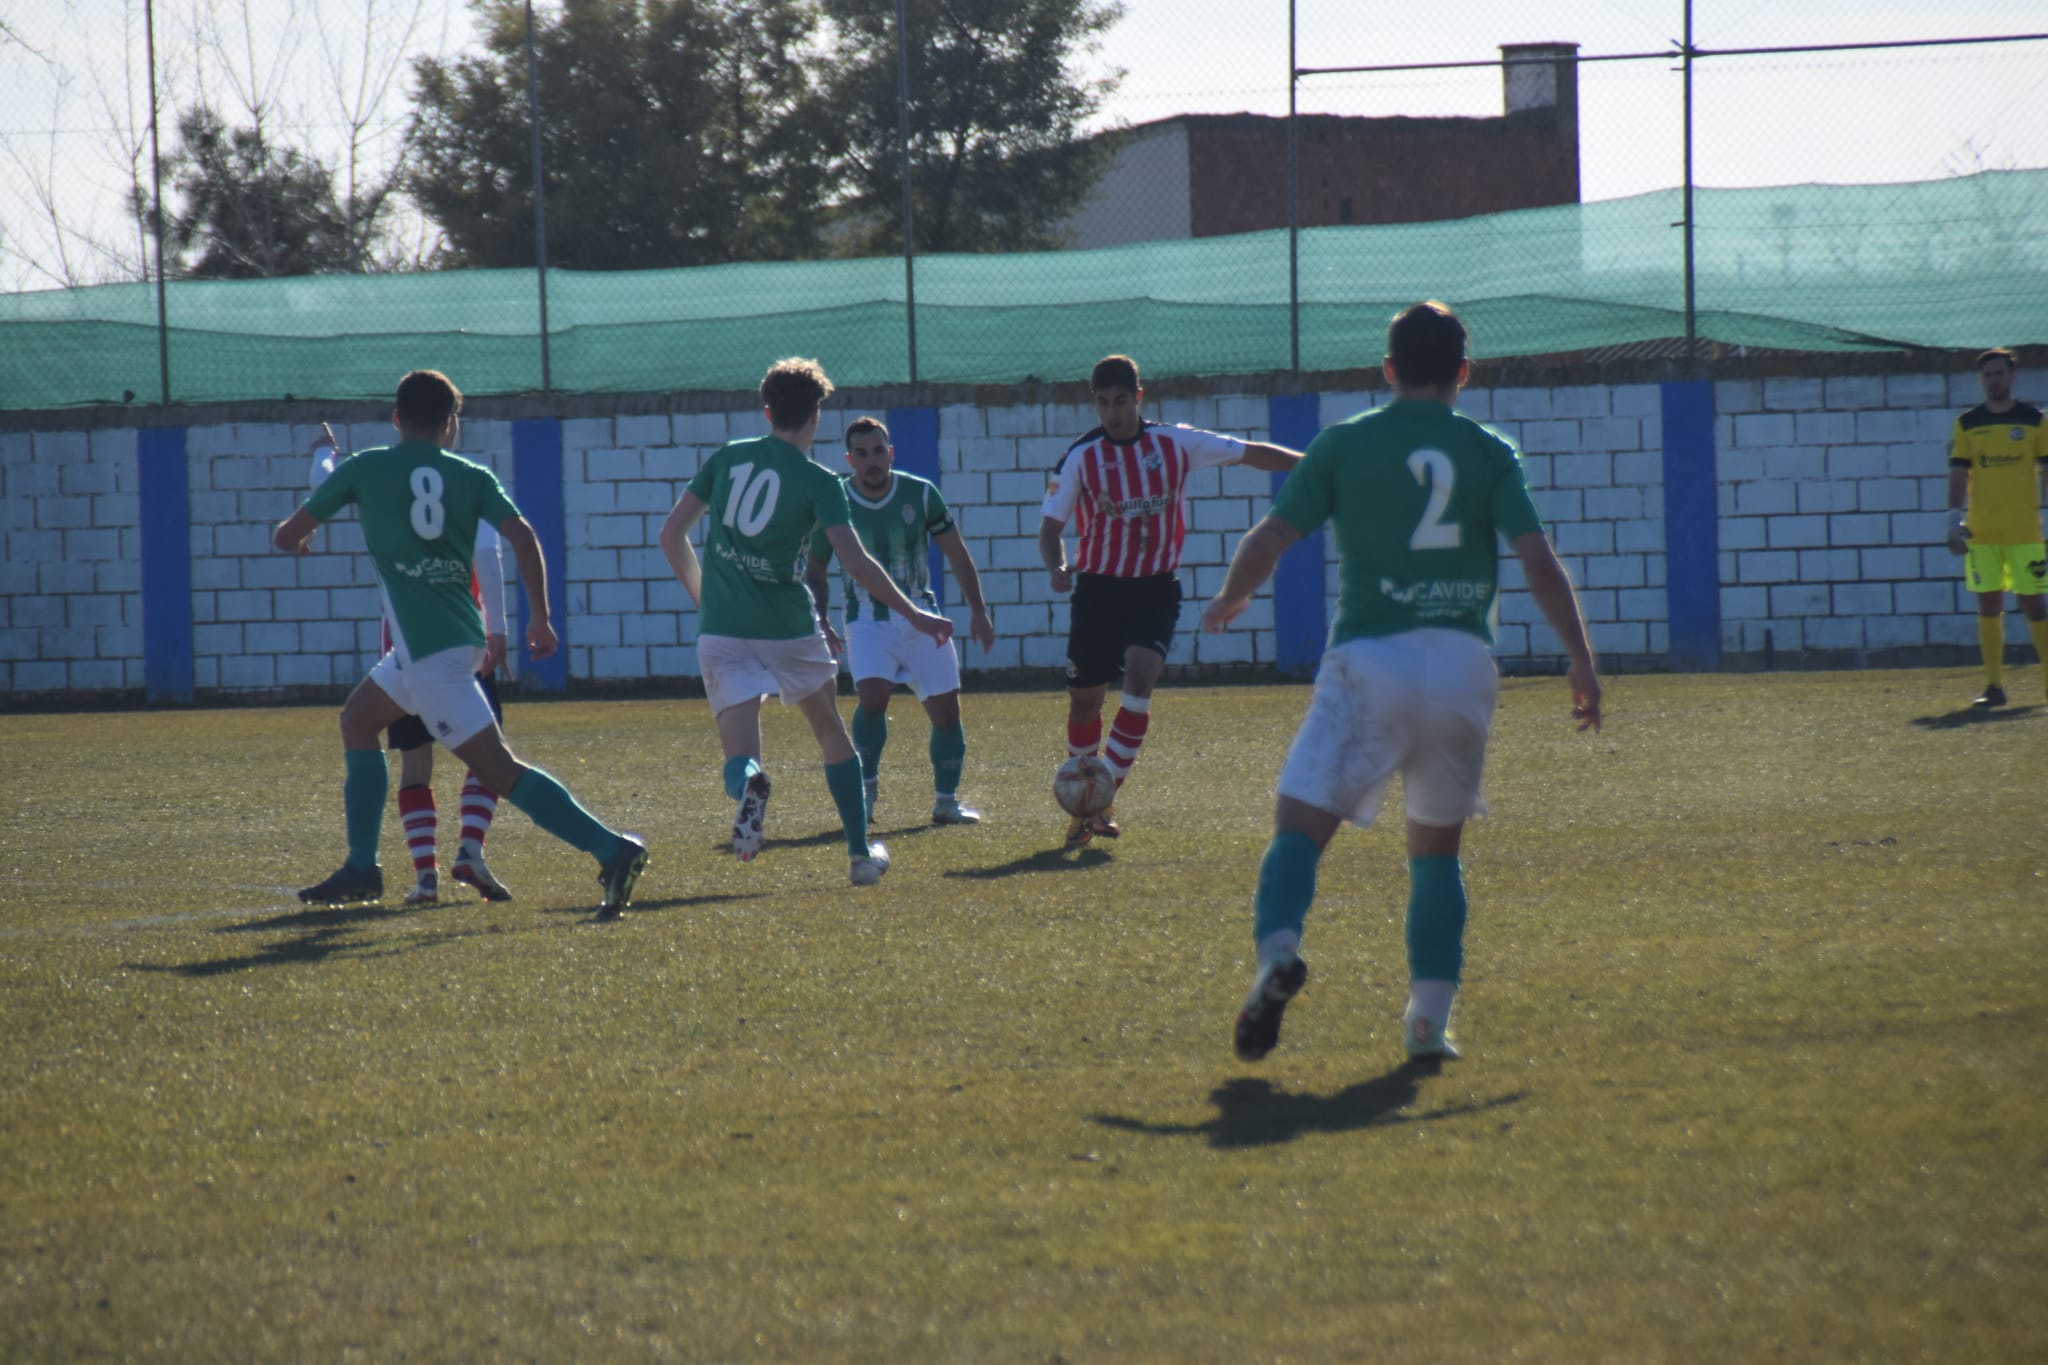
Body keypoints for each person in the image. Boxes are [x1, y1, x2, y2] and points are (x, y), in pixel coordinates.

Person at [1200, 301, 1602, 1064]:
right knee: (1436, 853)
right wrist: (1580, 658)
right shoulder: (1490, 450)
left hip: (1371, 660)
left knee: (1297, 828)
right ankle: (1427, 1022)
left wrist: (1231, 594)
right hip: (1462, 667)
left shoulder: (1346, 443)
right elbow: (1538, 563)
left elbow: (1273, 534)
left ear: (1387, 370)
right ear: (1462, 372)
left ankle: (1279, 952)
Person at [275, 370, 649, 921]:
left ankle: (613, 849)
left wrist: (303, 534)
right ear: (452, 424)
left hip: (431, 658)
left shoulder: (366, 468)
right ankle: (361, 867)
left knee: (499, 769)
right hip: (450, 643)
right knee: (358, 719)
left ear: (396, 419)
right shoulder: (471, 474)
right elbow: (521, 536)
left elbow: (286, 534)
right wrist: (540, 619)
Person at [658, 359, 955, 886]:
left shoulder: (728, 457)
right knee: (829, 729)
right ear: (816, 415)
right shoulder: (821, 482)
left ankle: (750, 783)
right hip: (789, 627)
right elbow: (858, 565)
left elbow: (671, 534)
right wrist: (913, 612)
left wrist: (706, 599)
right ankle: (861, 856)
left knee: (740, 756)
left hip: (722, 627)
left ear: (767, 410)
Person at [1037, 354, 1303, 848]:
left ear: (1139, 398)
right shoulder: (1080, 457)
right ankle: (1088, 800)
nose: (1112, 414)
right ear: (1094, 404)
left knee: (1139, 682)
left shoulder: (1173, 442)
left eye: (1120, 401)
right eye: (1102, 404)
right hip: (1096, 589)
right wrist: (1056, 565)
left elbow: (1249, 452)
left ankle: (1100, 797)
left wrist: (1314, 466)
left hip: (1154, 588)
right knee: (1085, 702)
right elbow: (1051, 527)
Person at [309, 423, 515, 906]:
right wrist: (499, 629)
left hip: (404, 647)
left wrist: (321, 453)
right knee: (489, 756)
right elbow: (488, 554)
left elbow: (325, 486)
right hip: (464, 639)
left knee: (414, 764)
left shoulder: (384, 481)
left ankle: (426, 877)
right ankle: (470, 849)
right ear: (450, 426)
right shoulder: (467, 482)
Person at [802, 416, 998, 826]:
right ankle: (866, 795)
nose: (872, 461)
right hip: (865, 619)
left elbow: (957, 556)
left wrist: (978, 610)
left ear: (890, 453)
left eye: (878, 452)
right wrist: (821, 618)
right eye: (862, 454)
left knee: (946, 711)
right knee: (872, 696)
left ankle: (946, 801)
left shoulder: (921, 495)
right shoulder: (833, 501)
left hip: (922, 616)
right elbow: (815, 567)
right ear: (849, 459)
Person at [1942, 347, 2048, 708]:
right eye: (1986, 375)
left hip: (2024, 533)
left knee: (2034, 605)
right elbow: (1958, 471)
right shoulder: (1968, 422)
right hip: (1982, 534)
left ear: (2011, 376)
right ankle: (1993, 687)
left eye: (1998, 373)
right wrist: (1953, 516)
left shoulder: (2034, 419)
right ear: (1980, 380)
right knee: (1988, 605)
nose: (1993, 380)